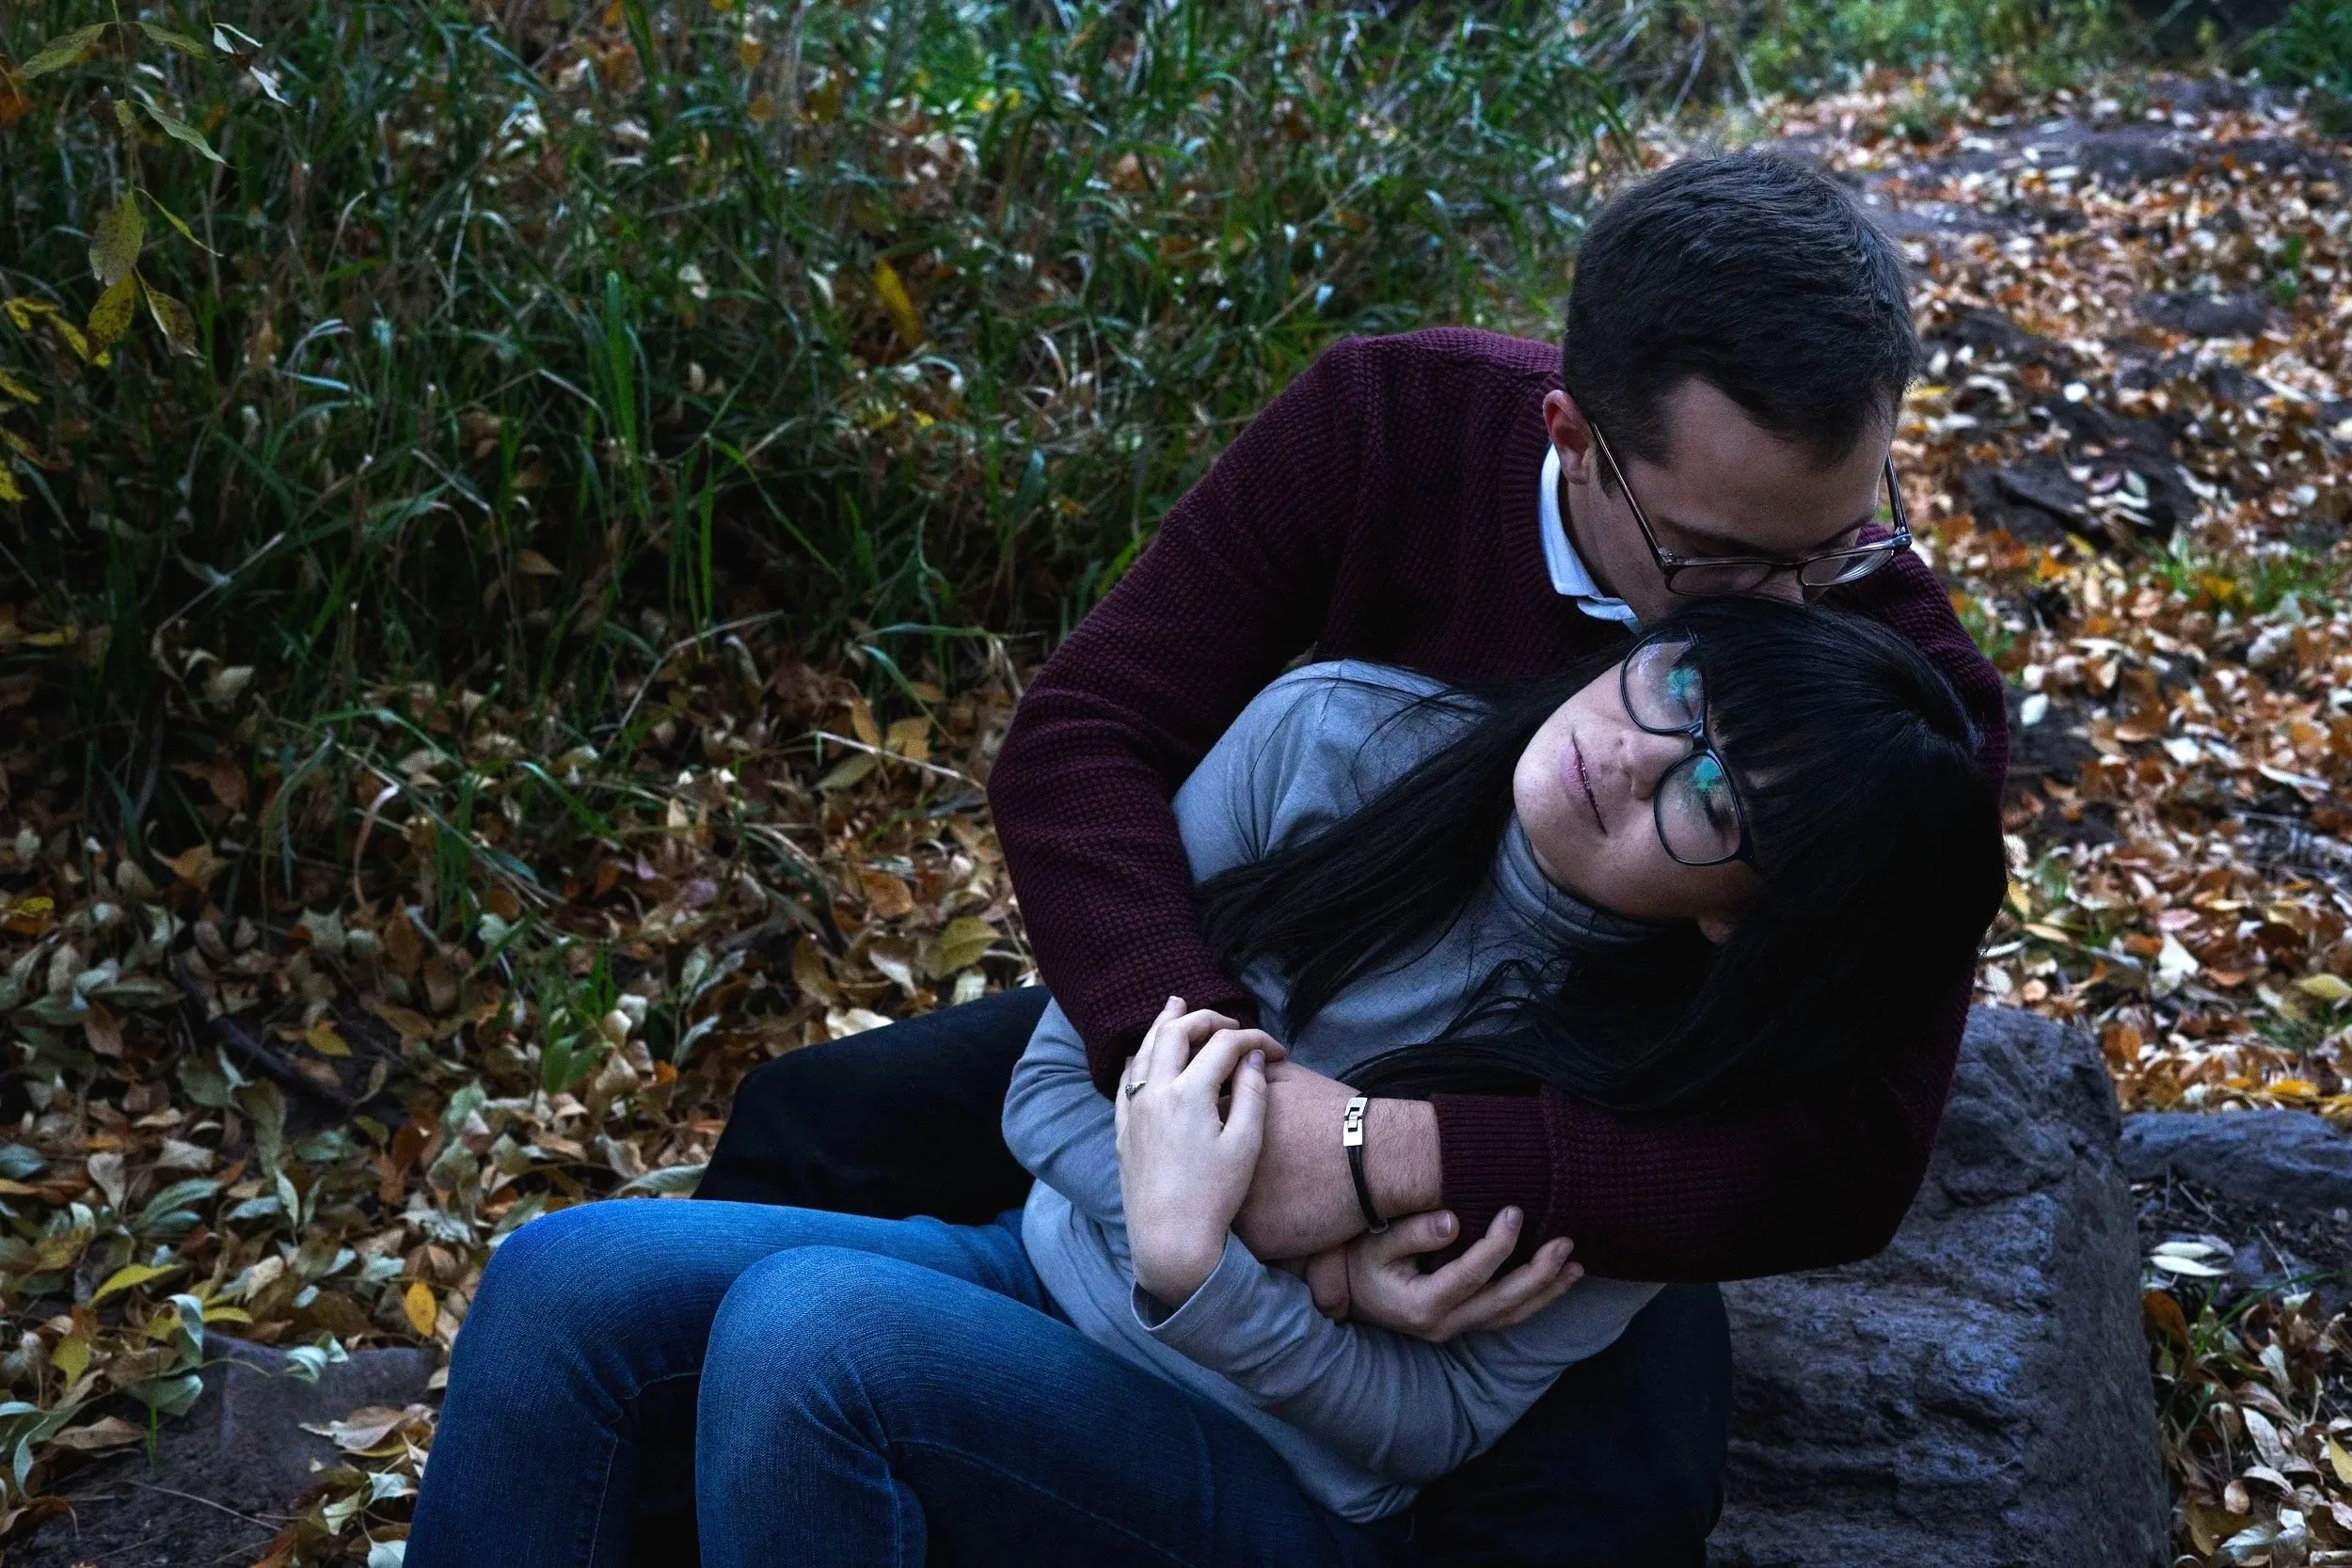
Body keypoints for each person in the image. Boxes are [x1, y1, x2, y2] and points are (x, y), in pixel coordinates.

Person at [694, 149, 2008, 1560]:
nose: (1787, 612)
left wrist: (1400, 1158)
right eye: (1722, 566)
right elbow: (1084, 735)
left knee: (1615, 1503)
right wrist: (1240, 1119)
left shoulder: (1911, 698)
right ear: (1573, 434)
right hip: (1293, 995)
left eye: (1840, 545)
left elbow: (1852, 1160)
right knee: (811, 1125)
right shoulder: (1393, 420)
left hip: (1570, 1149)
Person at [405, 601, 2004, 1568]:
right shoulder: (1330, 741)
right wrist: (1285, 1235)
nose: (1642, 753)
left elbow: (1423, 1426)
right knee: (562, 1280)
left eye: (1716, 797)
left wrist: (1197, 1266)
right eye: (1690, 695)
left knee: (817, 1336)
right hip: (1032, 1274)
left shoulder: (1667, 1115)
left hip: (1281, 1492)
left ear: (1743, 912)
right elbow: (1048, 1089)